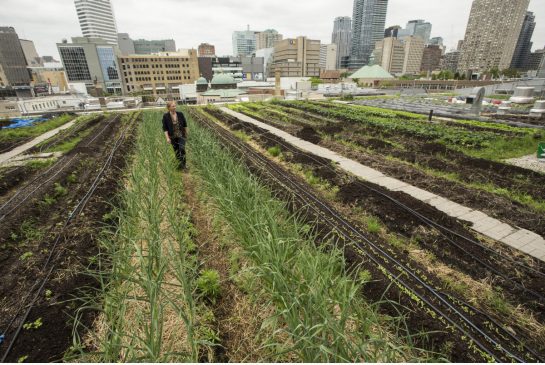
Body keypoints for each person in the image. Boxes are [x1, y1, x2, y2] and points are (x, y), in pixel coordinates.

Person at [162, 101, 188, 170]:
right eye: (173, 106)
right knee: (176, 151)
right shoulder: (166, 116)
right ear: (169, 108)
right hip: (172, 137)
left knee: (182, 149)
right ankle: (179, 164)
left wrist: (186, 134)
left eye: (175, 106)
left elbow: (185, 124)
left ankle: (184, 165)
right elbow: (165, 129)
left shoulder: (180, 114)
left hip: (181, 135)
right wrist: (167, 138)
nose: (175, 107)